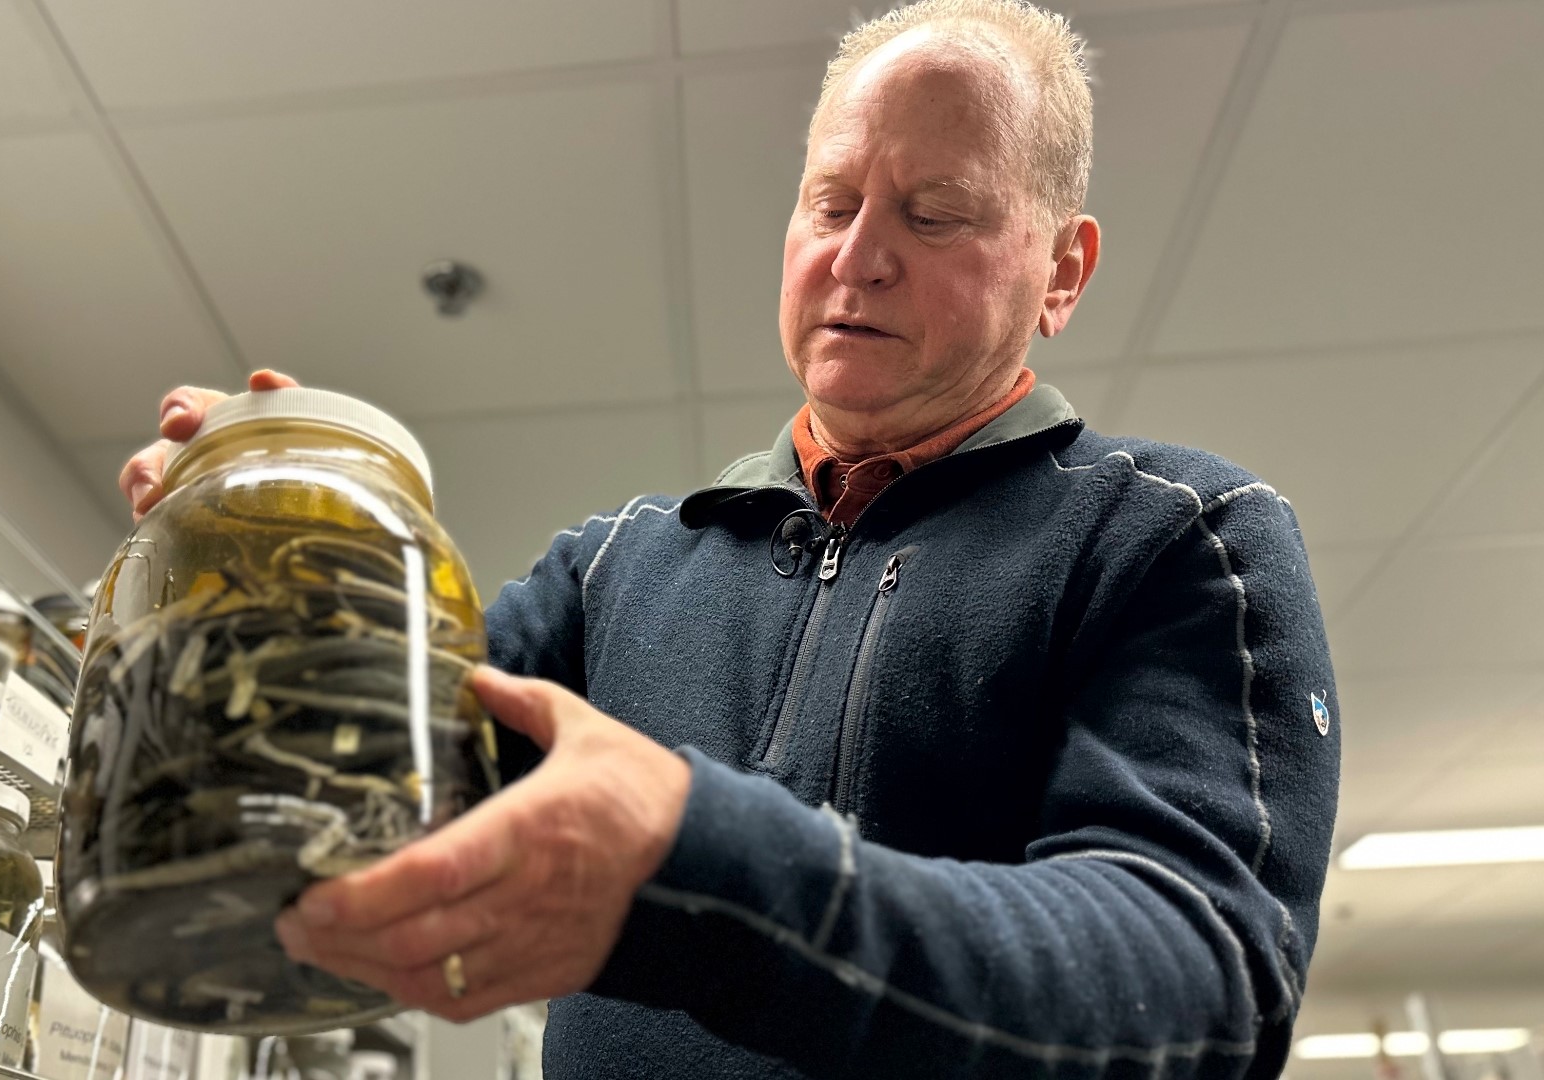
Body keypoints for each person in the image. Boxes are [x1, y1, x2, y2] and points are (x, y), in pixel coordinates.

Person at [114, 1, 1338, 1076]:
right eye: (833, 201)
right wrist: (272, 554)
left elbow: (1200, 988)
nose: (860, 256)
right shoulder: (610, 570)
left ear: (1062, 272)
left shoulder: (1178, 541)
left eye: (934, 212)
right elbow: (360, 772)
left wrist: (702, 870)